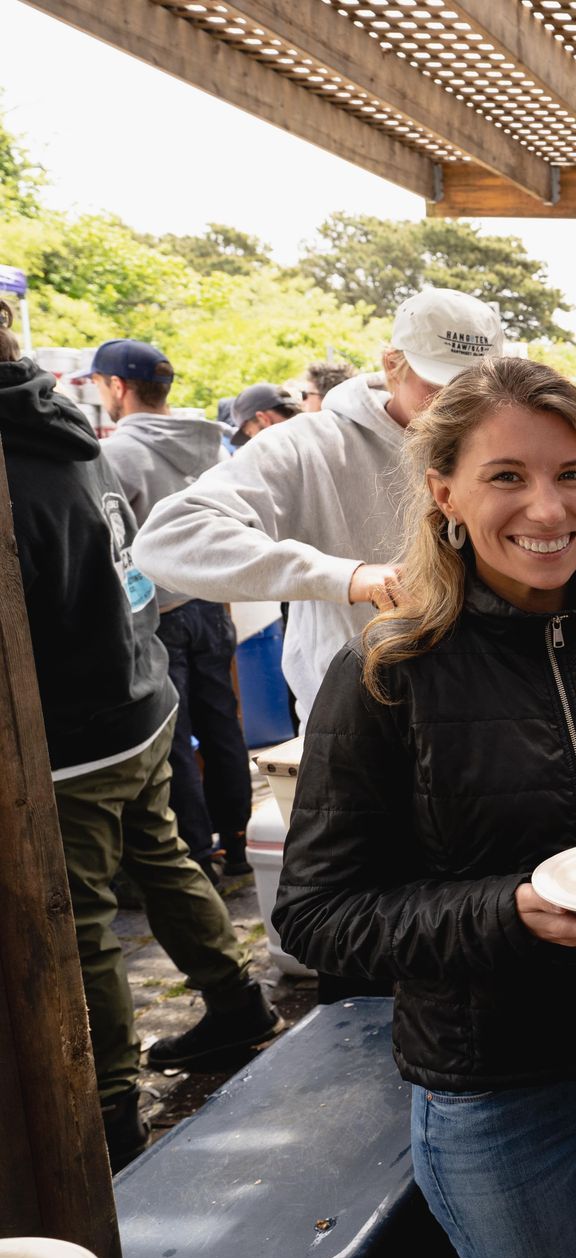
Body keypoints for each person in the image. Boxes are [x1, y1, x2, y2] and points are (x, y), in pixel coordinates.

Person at [271, 356, 576, 1258]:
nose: (547, 509)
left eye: (574, 476)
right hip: (488, 1090)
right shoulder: (386, 674)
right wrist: (511, 912)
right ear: (444, 493)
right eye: (507, 477)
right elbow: (317, 916)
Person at [0, 325, 280, 1170]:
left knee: (80, 917)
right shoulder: (60, 425)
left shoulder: (15, 460)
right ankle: (237, 1003)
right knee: (160, 857)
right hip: (138, 696)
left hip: (76, 729)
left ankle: (112, 1106)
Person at [133, 287, 505, 720]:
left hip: (495, 708)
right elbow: (169, 537)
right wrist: (347, 576)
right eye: (439, 383)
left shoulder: (509, 444)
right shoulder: (310, 446)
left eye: (475, 385)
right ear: (392, 365)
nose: (460, 404)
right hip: (358, 724)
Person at [96, 339, 254, 881]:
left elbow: (114, 545)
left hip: (160, 613)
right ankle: (238, 842)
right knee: (223, 727)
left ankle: (196, 855)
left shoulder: (118, 454)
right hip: (213, 602)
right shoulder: (210, 446)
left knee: (174, 736)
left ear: (117, 387)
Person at [231, 382, 300, 447]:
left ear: (263, 419)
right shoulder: (307, 432)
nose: (251, 440)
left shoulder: (284, 455)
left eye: (249, 433)